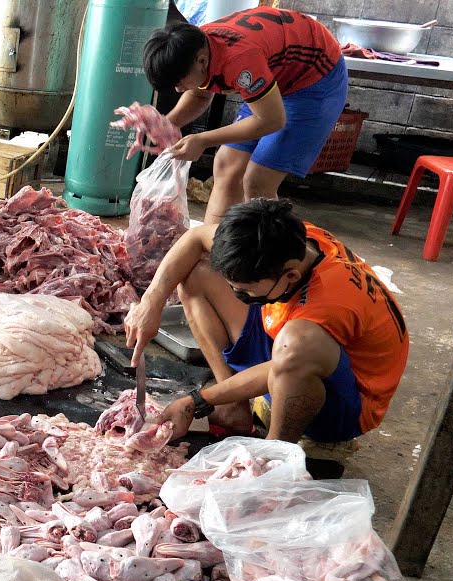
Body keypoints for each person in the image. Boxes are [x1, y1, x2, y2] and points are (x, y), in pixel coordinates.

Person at [124, 199, 408, 444]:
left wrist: (198, 401)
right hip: (288, 344)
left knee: (296, 344)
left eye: (245, 290)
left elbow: (284, 363)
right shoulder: (279, 239)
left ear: (291, 276)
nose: (236, 294)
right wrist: (152, 302)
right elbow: (196, 238)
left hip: (344, 404)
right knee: (196, 272)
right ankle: (235, 407)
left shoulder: (328, 305)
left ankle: (277, 449)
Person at [142, 8, 347, 224]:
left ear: (201, 61)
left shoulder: (238, 60)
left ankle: (265, 254)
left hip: (315, 81)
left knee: (258, 180)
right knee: (226, 164)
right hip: (272, 78)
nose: (178, 90)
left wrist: (202, 140)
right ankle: (214, 245)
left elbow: (271, 120)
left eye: (180, 82)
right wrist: (169, 124)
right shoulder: (195, 46)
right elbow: (199, 96)